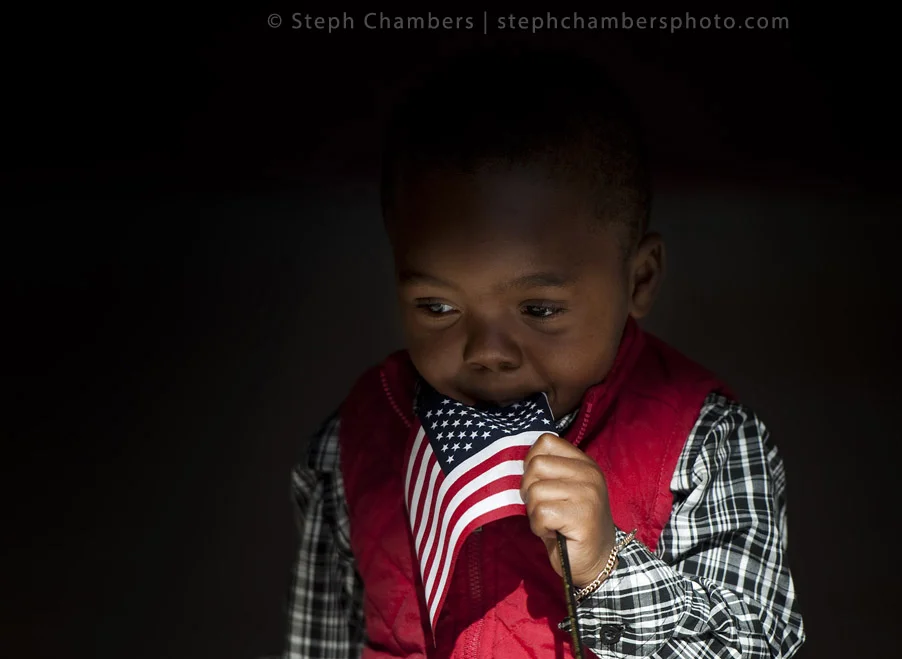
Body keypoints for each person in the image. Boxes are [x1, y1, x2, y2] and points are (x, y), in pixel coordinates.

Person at [281, 45, 805, 659]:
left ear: (639, 281)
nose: (487, 352)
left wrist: (608, 564)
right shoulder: (350, 446)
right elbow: (317, 644)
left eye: (540, 310)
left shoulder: (707, 440)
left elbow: (760, 647)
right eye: (438, 307)